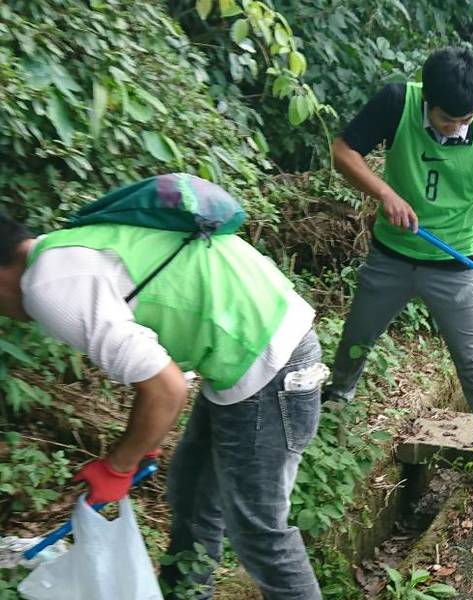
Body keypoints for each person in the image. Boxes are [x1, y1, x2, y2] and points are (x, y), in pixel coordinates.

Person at [0, 175, 324, 599]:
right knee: (191, 495)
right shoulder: (67, 247)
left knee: (259, 532)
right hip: (253, 347)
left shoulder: (48, 286)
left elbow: (165, 387)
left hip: (268, 363)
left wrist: (117, 467)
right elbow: (168, 329)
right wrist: (143, 440)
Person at [326, 46, 473, 488]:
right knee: (358, 334)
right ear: (426, 102)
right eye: (446, 119)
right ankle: (338, 398)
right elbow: (343, 151)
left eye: (464, 120)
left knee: (471, 360)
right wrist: (385, 194)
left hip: (454, 264)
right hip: (390, 256)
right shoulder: (397, 103)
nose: (456, 128)